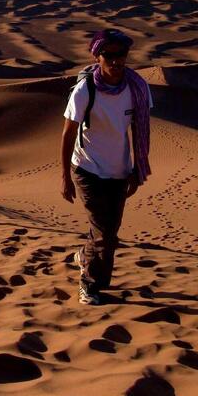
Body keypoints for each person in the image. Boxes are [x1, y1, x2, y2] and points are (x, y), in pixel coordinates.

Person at [60, 29, 153, 305]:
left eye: (120, 55)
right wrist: (65, 176)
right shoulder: (85, 90)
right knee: (105, 233)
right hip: (87, 168)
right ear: (97, 57)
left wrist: (138, 168)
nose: (115, 61)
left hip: (119, 170)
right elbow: (67, 133)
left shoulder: (137, 88)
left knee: (108, 228)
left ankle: (83, 256)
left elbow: (140, 128)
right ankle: (89, 284)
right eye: (108, 55)